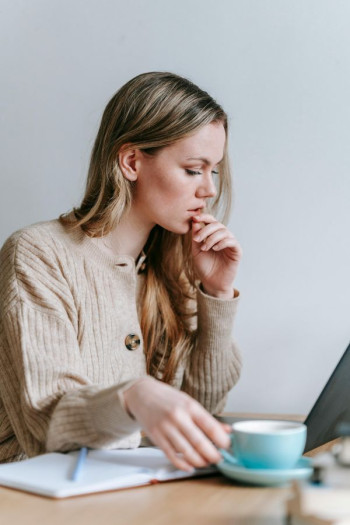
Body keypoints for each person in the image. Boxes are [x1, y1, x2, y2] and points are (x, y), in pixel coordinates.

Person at [0, 71, 242, 470]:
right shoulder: (38, 254)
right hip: (34, 499)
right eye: (193, 169)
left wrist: (215, 294)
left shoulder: (169, 267)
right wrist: (133, 396)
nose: (209, 189)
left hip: (125, 490)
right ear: (131, 162)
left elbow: (201, 412)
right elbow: (45, 425)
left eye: (213, 170)